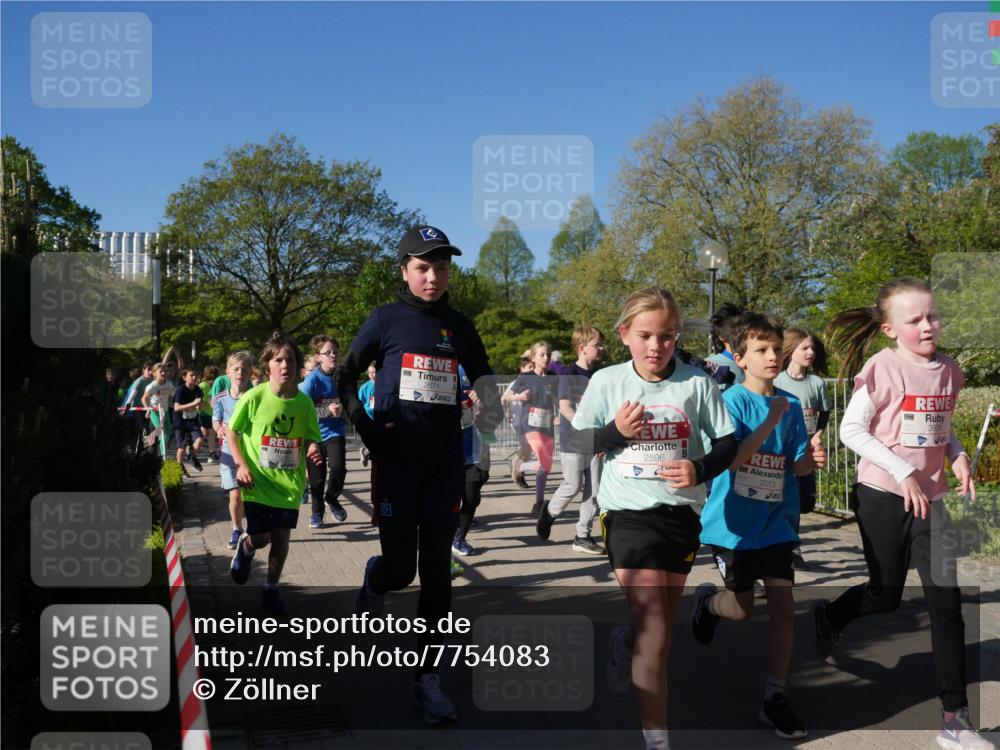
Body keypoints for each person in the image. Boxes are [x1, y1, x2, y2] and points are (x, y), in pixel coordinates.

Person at [813, 278, 993, 750]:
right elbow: (852, 430)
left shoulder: (949, 370)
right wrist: (902, 471)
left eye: (931, 316)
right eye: (914, 320)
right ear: (891, 329)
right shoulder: (883, 367)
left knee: (946, 603)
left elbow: (942, 427)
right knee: (885, 594)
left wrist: (954, 455)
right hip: (882, 494)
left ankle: (955, 717)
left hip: (930, 500)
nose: (928, 325)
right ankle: (830, 616)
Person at [334, 225, 502, 725]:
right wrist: (366, 429)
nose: (434, 277)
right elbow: (346, 374)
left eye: (442, 267)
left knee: (435, 574)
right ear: (405, 270)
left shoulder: (460, 325)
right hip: (397, 464)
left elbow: (486, 379)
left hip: (443, 465)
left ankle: (426, 679)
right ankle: (376, 576)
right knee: (400, 568)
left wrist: (486, 412)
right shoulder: (385, 321)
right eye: (424, 267)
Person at [572, 288, 737, 750]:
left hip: (680, 516)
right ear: (625, 334)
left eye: (666, 336)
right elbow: (579, 444)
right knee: (657, 631)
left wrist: (699, 468)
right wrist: (613, 433)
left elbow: (727, 442)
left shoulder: (696, 384)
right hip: (625, 514)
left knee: (655, 627)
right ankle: (658, 742)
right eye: (645, 335)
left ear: (677, 336)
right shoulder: (607, 381)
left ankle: (625, 643)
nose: (656, 346)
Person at [691, 312, 826, 740]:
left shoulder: (789, 407)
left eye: (775, 348)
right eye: (761, 350)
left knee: (784, 610)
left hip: (778, 524)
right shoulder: (731, 402)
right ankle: (709, 605)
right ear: (739, 357)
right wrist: (770, 418)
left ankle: (774, 696)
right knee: (742, 609)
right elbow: (732, 459)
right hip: (734, 527)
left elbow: (797, 464)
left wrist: (812, 459)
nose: (772, 356)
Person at [228, 332, 322, 616]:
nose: (285, 365)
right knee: (262, 537)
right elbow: (232, 432)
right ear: (267, 364)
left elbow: (310, 435)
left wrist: (313, 448)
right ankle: (246, 546)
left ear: (298, 365)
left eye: (290, 360)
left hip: (289, 484)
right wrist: (241, 465)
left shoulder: (304, 403)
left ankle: (270, 590)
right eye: (278, 359)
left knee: (281, 539)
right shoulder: (253, 397)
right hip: (257, 480)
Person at [537, 325, 606, 555]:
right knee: (573, 485)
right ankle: (549, 512)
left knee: (594, 490)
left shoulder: (599, 376)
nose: (601, 348)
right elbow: (566, 407)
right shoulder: (568, 373)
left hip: (596, 441)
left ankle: (582, 535)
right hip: (574, 439)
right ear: (582, 348)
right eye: (597, 344)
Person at [774, 328, 832, 567]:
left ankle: (788, 543)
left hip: (806, 450)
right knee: (783, 498)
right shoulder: (777, 379)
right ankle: (789, 546)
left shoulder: (817, 383)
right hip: (782, 450)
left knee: (804, 503)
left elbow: (824, 413)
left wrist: (818, 434)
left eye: (812, 349)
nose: (810, 353)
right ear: (790, 351)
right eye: (804, 348)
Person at [300, 335, 349, 529]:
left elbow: (349, 401)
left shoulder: (342, 377)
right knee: (316, 478)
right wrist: (326, 411)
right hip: (314, 434)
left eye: (335, 352)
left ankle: (332, 498)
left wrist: (344, 410)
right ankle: (316, 513)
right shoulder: (311, 381)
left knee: (338, 467)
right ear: (319, 357)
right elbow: (304, 411)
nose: (333, 355)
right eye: (327, 353)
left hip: (335, 431)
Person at [509, 342, 559, 516]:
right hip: (529, 424)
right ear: (533, 358)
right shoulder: (526, 377)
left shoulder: (554, 377)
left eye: (548, 355)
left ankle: (538, 501)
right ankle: (520, 466)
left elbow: (559, 399)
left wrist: (559, 413)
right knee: (543, 460)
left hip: (548, 424)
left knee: (546, 466)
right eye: (542, 355)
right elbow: (507, 395)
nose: (546, 358)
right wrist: (520, 396)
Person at [452, 365, 493, 559]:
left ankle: (459, 538)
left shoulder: (481, 366)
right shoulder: (442, 362)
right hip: (450, 443)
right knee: (452, 495)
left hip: (478, 440)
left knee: (472, 494)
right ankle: (452, 538)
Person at [214, 352, 253, 548]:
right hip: (229, 453)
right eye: (236, 369)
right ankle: (237, 529)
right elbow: (216, 419)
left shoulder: (256, 395)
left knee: (250, 494)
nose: (240, 373)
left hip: (251, 453)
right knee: (235, 494)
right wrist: (219, 428)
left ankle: (255, 527)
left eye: (244, 369)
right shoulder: (221, 397)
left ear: (250, 372)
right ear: (228, 372)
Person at [502, 354, 535, 488]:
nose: (532, 370)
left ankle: (517, 466)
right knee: (528, 447)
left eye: (534, 367)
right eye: (529, 367)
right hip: (517, 420)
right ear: (521, 369)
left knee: (529, 448)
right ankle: (518, 471)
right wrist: (519, 397)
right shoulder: (516, 383)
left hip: (531, 420)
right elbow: (504, 398)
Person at [705, 303, 746, 389]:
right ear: (722, 336)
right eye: (737, 330)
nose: (743, 334)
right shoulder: (708, 367)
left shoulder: (756, 365)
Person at [173, 368, 206, 473]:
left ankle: (192, 457)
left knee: (200, 440)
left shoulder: (197, 389)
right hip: (181, 422)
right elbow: (176, 408)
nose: (194, 377)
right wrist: (193, 403)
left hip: (193, 420)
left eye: (196, 375)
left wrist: (201, 405)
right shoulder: (181, 390)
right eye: (191, 375)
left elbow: (200, 406)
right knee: (181, 447)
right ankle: (180, 465)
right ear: (184, 378)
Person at [141, 364, 175, 455]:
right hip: (155, 411)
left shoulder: (169, 384)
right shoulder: (152, 386)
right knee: (162, 431)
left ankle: (148, 442)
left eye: (165, 371)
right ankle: (162, 455)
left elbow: (171, 397)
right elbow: (143, 399)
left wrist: (173, 405)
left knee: (169, 430)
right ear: (154, 373)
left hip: (165, 410)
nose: (164, 373)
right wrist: (147, 409)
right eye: (161, 371)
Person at [199, 365, 221, 463]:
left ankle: (212, 453)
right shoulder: (203, 385)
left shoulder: (216, 383)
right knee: (206, 434)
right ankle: (192, 449)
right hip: (204, 413)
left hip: (211, 413)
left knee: (211, 434)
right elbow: (199, 400)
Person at [357, 361, 377, 467]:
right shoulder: (365, 387)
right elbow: (360, 401)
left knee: (377, 441)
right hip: (369, 416)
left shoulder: (384, 384)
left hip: (380, 416)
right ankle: (366, 452)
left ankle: (365, 452)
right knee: (374, 440)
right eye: (370, 373)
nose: (372, 375)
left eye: (374, 372)